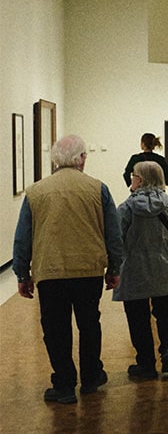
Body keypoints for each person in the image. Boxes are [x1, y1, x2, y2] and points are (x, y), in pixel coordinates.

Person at [11, 134, 123, 404]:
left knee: (55, 329)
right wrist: (114, 267)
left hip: (50, 272)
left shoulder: (35, 191)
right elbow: (114, 233)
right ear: (81, 158)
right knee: (89, 323)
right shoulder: (98, 188)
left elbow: (23, 236)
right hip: (88, 270)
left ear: (55, 160)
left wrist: (22, 273)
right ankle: (91, 377)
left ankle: (63, 385)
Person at [114, 161, 168, 380]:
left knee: (138, 317)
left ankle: (145, 363)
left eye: (133, 175)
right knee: (166, 311)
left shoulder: (126, 208)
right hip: (165, 268)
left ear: (141, 179)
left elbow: (117, 239)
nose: (131, 179)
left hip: (134, 270)